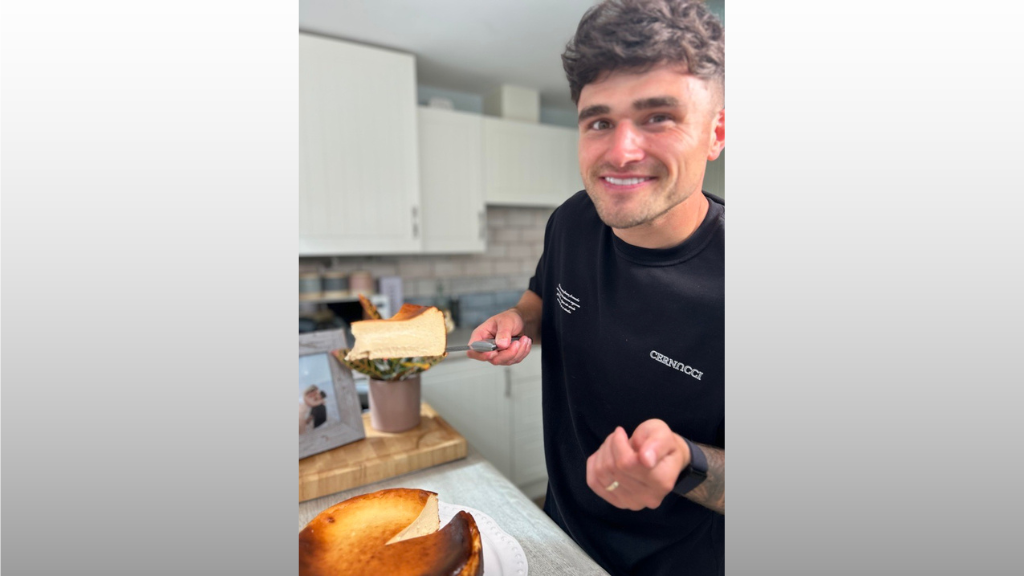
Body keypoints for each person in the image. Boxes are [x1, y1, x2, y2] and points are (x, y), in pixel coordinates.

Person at [466, 1, 725, 574]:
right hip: (556, 535)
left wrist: (683, 461)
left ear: (717, 133)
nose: (619, 150)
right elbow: (542, 298)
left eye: (658, 116)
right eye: (600, 121)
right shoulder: (571, 221)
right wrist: (517, 320)